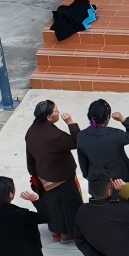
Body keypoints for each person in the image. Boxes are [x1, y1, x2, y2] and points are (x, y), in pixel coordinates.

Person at [77, 99, 129, 244]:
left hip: (98, 182)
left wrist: (88, 176)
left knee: (102, 211)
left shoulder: (82, 136)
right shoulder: (114, 134)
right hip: (121, 180)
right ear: (107, 118)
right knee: (128, 209)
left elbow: (82, 161)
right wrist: (123, 119)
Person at [24, 100, 83, 244]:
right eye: (56, 111)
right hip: (62, 176)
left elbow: (29, 156)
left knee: (53, 207)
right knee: (70, 207)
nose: (59, 112)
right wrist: (70, 123)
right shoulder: (54, 135)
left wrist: (34, 173)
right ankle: (67, 235)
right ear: (49, 117)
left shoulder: (31, 131)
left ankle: (56, 233)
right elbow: (78, 142)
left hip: (43, 176)